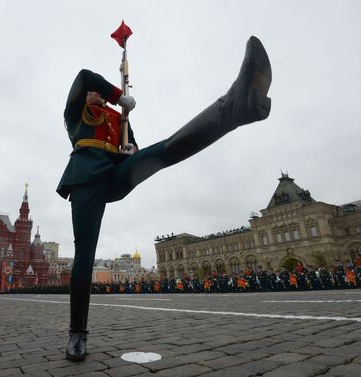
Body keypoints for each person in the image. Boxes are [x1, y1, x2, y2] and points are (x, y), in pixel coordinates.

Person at [57, 36, 272, 361]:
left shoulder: (120, 121)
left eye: (103, 95)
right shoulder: (76, 113)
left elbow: (138, 150)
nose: (97, 95)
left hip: (113, 175)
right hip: (85, 178)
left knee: (168, 149)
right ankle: (77, 332)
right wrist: (119, 96)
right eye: (96, 94)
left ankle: (233, 108)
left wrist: (132, 150)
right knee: (85, 251)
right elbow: (86, 75)